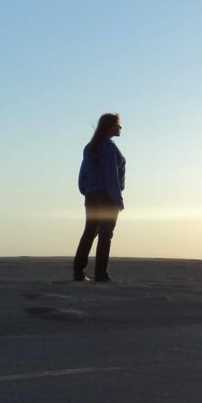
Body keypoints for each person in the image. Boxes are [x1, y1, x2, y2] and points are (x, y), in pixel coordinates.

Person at [73, 113, 126, 282]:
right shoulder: (108, 147)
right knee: (105, 234)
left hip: (92, 196)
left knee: (89, 233)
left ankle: (78, 272)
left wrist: (86, 191)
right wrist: (117, 199)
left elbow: (83, 175)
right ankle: (101, 274)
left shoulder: (90, 147)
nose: (120, 128)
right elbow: (111, 175)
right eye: (118, 124)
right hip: (107, 197)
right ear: (109, 127)